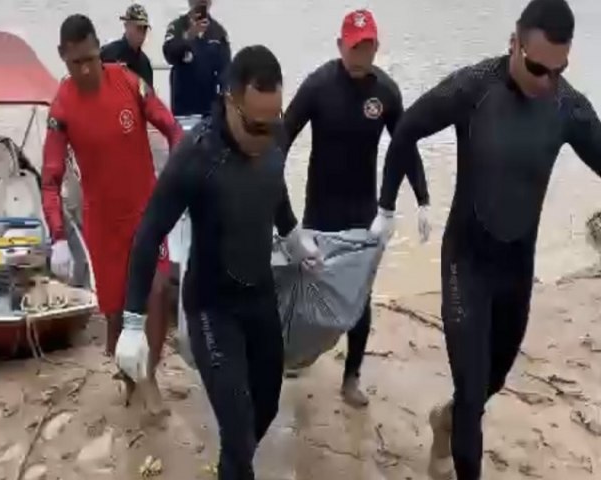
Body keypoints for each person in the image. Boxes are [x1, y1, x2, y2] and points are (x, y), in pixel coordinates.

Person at [380, 0, 601, 478]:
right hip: (467, 264)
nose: (546, 82)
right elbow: (406, 131)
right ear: (513, 43)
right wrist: (387, 207)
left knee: (488, 384)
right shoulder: (473, 88)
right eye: (537, 67)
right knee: (473, 397)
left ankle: (448, 418)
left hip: (516, 269)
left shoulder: (568, 108)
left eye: (558, 71)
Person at [117, 45, 321, 480]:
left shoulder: (271, 134)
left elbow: (274, 187)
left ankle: (231, 464)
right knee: (238, 425)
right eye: (255, 125)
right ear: (230, 101)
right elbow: (149, 231)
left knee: (263, 407)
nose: (266, 136)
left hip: (260, 295)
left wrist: (291, 234)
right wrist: (133, 321)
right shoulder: (196, 157)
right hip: (213, 305)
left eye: (274, 123)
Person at [283, 9, 431, 408]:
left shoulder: (385, 92)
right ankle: (301, 353)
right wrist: (267, 196)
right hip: (319, 211)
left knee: (358, 299)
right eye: (353, 47)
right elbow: (282, 137)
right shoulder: (318, 86)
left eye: (367, 46)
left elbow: (404, 147)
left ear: (376, 47)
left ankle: (351, 376)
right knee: (307, 287)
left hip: (363, 214)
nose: (360, 54)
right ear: (339, 46)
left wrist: (422, 199)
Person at [41, 14, 183, 411]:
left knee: (157, 291)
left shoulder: (127, 81)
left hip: (145, 212)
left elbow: (171, 126)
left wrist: (179, 164)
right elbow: (50, 178)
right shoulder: (62, 106)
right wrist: (57, 238)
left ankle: (150, 377)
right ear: (62, 58)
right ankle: (130, 376)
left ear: (98, 48)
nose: (85, 70)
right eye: (75, 63)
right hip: (102, 222)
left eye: (90, 58)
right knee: (119, 313)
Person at [162, 0, 231, 117]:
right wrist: (188, 37)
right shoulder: (177, 26)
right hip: (183, 107)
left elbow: (226, 68)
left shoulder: (218, 31)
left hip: (209, 107)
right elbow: (169, 54)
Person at [100, 4, 154, 87]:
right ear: (126, 26)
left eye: (145, 28)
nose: (142, 33)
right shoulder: (109, 54)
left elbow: (148, 96)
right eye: (139, 27)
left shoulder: (144, 62)